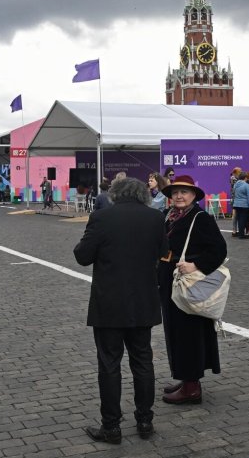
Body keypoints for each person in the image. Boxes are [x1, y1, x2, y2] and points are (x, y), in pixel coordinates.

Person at [73, 178, 169, 444]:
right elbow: (163, 252)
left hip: (110, 304)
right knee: (143, 362)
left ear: (114, 194)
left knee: (109, 365)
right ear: (143, 195)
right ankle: (145, 420)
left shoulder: (102, 217)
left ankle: (111, 426)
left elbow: (82, 256)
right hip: (143, 302)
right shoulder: (155, 218)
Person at [157, 175, 226, 405]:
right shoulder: (169, 216)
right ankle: (185, 376)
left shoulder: (201, 217)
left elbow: (219, 250)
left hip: (190, 282)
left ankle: (192, 387)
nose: (179, 196)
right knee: (175, 331)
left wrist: (195, 265)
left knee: (189, 333)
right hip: (170, 279)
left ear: (194, 195)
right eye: (175, 192)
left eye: (184, 192)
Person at [231, 172, 249, 239]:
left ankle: (240, 233)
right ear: (245, 178)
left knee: (239, 219)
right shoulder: (247, 185)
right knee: (243, 220)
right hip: (244, 205)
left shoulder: (235, 185)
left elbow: (233, 194)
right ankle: (241, 235)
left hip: (236, 205)